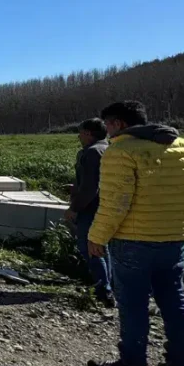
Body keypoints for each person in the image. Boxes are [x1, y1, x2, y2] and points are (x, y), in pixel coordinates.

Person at [85, 101, 184, 366]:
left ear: (120, 124)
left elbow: (116, 202)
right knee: (176, 302)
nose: (108, 132)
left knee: (133, 305)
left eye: (109, 125)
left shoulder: (122, 151)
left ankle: (132, 365)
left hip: (133, 241)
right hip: (174, 240)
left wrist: (97, 237)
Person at [64, 118, 113, 307]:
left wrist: (74, 208)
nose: (78, 136)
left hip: (91, 208)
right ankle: (109, 286)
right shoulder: (107, 149)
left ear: (89, 134)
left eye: (81, 132)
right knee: (102, 247)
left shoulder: (92, 153)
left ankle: (103, 290)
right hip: (106, 206)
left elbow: (90, 188)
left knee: (90, 247)